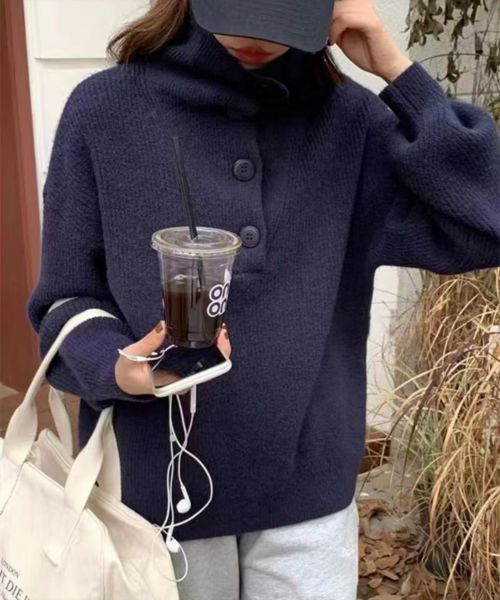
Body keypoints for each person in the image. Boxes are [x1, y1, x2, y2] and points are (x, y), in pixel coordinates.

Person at [28, 0, 500, 598]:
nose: (254, 35)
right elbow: (65, 300)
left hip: (308, 501)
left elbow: (485, 224)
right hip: (155, 493)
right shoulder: (104, 112)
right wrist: (117, 367)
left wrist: (397, 72)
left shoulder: (352, 125)